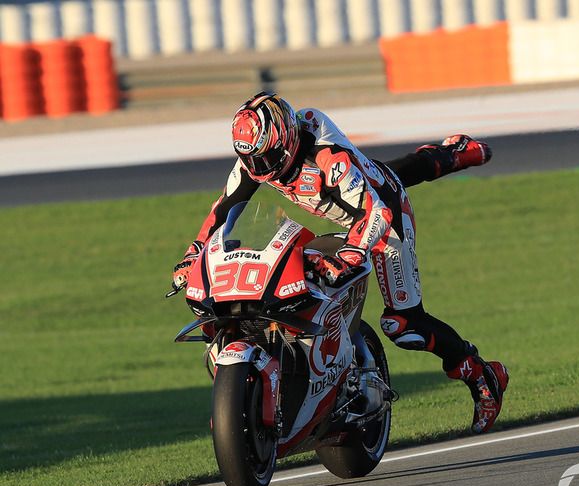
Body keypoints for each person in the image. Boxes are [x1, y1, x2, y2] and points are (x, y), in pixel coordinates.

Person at [172, 92, 509, 434]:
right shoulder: (259, 158)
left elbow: (377, 211)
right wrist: (193, 254)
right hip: (347, 215)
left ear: (286, 140)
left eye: (268, 157)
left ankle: (483, 375)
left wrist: (351, 255)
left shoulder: (327, 156)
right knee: (290, 287)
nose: (261, 170)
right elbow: (225, 208)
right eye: (253, 160)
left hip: (381, 220)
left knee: (403, 326)